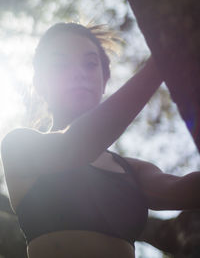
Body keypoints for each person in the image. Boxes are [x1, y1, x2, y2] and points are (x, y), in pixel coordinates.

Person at [1, 22, 200, 258]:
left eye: (90, 64)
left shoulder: (132, 170)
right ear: (40, 85)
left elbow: (184, 191)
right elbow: (76, 146)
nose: (78, 73)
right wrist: (159, 65)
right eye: (59, 65)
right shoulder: (20, 145)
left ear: (105, 81)